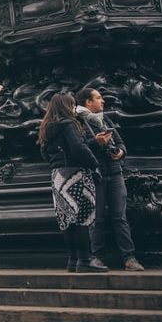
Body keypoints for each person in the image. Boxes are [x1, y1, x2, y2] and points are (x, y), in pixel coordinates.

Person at [75, 88, 145, 272]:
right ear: (88, 102)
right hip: (95, 173)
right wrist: (96, 143)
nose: (103, 101)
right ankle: (96, 257)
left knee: (120, 217)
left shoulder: (105, 119)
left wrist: (120, 152)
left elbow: (121, 143)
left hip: (114, 172)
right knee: (96, 218)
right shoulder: (78, 121)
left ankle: (129, 258)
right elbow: (78, 148)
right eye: (98, 98)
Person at [38, 92, 106, 273]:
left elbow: (44, 153)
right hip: (76, 173)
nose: (75, 108)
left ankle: (73, 259)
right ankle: (85, 259)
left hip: (58, 176)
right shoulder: (69, 123)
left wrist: (56, 164)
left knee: (67, 219)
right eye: (72, 105)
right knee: (83, 218)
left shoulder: (46, 127)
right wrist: (94, 164)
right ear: (66, 106)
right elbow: (78, 147)